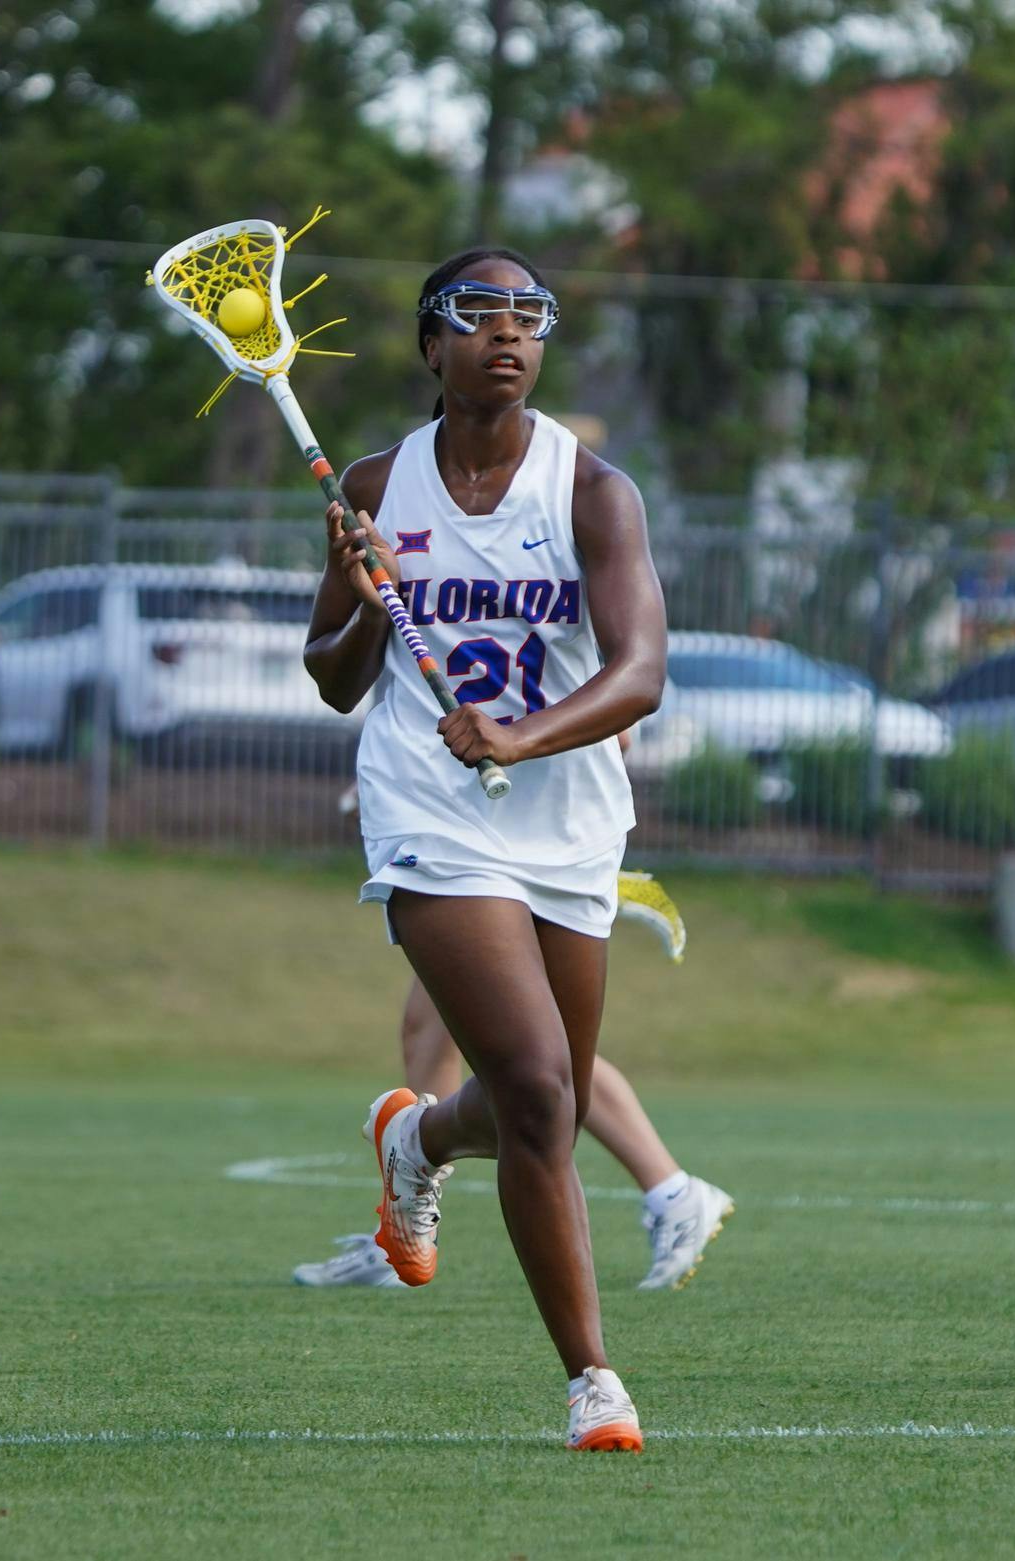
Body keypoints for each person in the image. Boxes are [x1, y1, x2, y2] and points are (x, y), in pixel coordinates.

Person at [302, 247, 667, 1451]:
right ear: (431, 343)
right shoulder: (371, 481)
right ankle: (593, 1381)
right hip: (429, 813)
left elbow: (639, 674)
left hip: (566, 819)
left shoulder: (591, 491)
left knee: (537, 1117)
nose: (508, 337)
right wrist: (361, 595)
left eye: (530, 318)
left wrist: (522, 730)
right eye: (481, 316)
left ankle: (413, 1137)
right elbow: (335, 680)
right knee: (537, 1081)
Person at [294, 981, 734, 1292]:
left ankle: (674, 1193)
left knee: (520, 1044)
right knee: (431, 1026)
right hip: (475, 853)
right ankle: (401, 1230)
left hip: (507, 858)